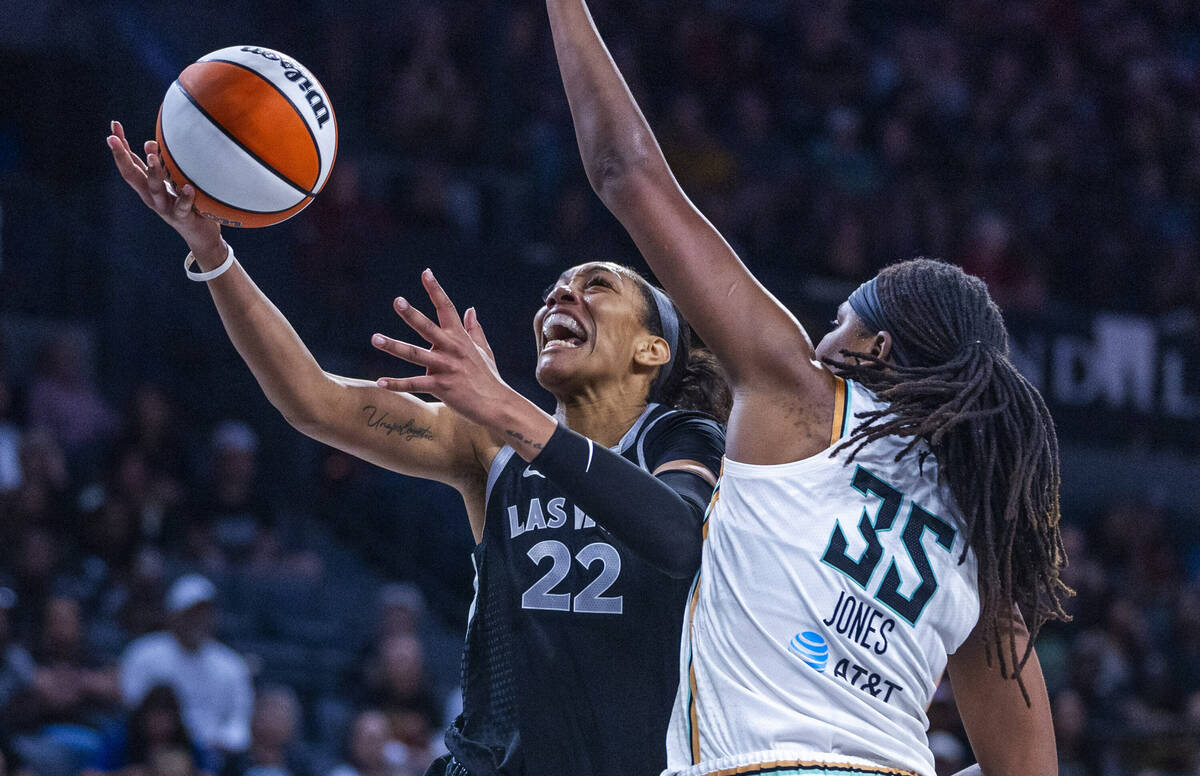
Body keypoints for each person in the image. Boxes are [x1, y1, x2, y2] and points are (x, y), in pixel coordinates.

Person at [542, 2, 1070, 775]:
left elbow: (626, 170)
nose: (820, 342)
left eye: (838, 322)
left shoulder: (802, 395)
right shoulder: (979, 534)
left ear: (877, 347)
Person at [106, 122, 729, 776]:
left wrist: (503, 404)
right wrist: (212, 251)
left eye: (596, 285)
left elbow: (678, 530)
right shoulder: (488, 443)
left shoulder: (680, 439)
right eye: (556, 291)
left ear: (651, 349)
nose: (561, 295)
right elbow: (311, 400)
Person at [119, 575, 254, 759]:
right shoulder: (143, 653)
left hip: (213, 754)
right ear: (173, 614)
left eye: (204, 613)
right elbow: (132, 705)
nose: (198, 620)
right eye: (190, 613)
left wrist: (222, 742)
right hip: (153, 749)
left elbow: (239, 721)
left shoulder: (231, 665)